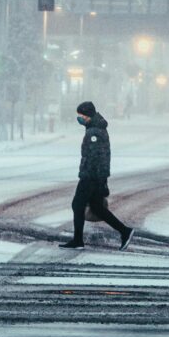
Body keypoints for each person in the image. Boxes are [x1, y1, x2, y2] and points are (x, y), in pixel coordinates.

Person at [59, 100, 134, 250]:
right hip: (94, 176)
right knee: (97, 208)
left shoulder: (94, 132)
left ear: (87, 115)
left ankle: (78, 241)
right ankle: (125, 231)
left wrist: (96, 180)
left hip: (91, 177)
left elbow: (95, 158)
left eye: (81, 115)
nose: (79, 118)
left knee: (77, 205)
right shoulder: (94, 128)